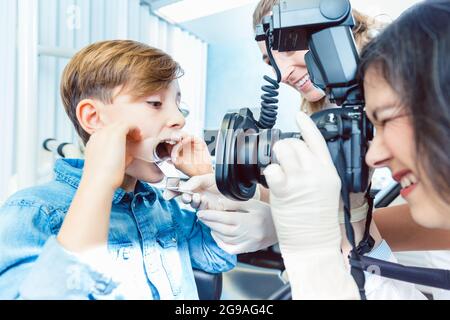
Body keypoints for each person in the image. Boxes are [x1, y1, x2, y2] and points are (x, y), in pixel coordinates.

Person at [0, 40, 238, 300]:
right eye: (155, 103)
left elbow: (218, 258)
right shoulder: (32, 211)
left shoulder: (164, 209)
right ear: (93, 118)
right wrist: (98, 184)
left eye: (178, 105)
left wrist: (206, 179)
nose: (180, 119)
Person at [262, 0, 450, 299]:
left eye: (285, 49)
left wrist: (320, 228)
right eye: (269, 61)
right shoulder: (324, 114)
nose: (282, 72)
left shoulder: (410, 60)